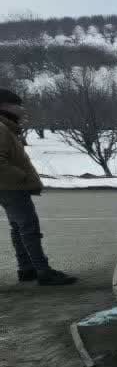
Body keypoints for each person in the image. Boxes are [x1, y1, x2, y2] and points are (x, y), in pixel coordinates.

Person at [0, 89, 76, 286]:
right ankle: (43, 271)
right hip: (11, 187)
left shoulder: (8, 128)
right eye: (17, 104)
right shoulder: (1, 128)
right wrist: (21, 177)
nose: (21, 108)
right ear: (5, 106)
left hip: (10, 186)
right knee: (28, 227)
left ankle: (26, 269)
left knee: (19, 228)